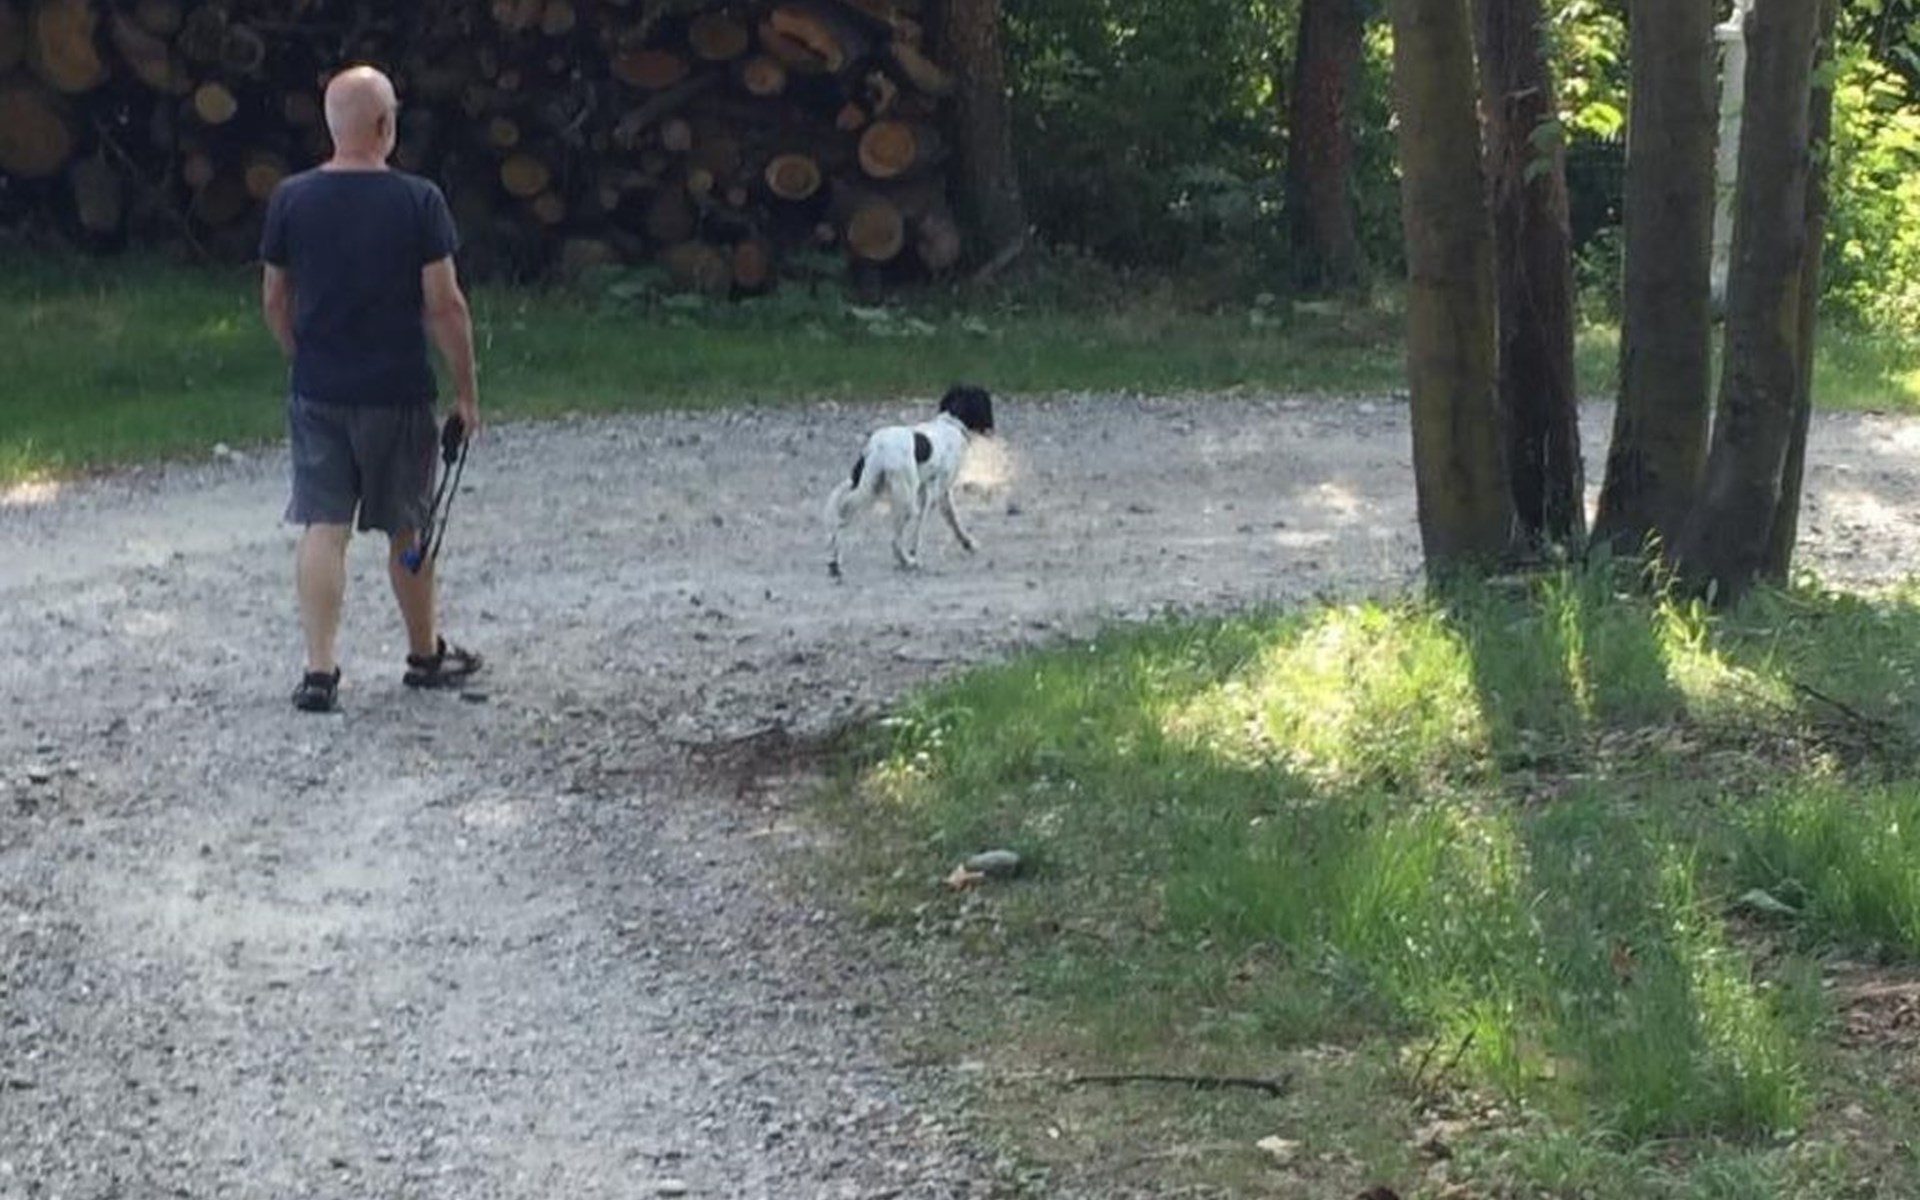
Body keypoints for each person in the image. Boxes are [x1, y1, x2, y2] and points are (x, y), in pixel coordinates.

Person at [260, 65, 483, 713]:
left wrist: (300, 354)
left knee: (323, 525)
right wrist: (466, 392)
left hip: (319, 390)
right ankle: (423, 653)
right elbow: (445, 305)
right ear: (385, 126)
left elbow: (275, 297)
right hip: (398, 392)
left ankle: (319, 671)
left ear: (332, 126)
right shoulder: (418, 201)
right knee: (408, 528)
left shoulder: (291, 199)